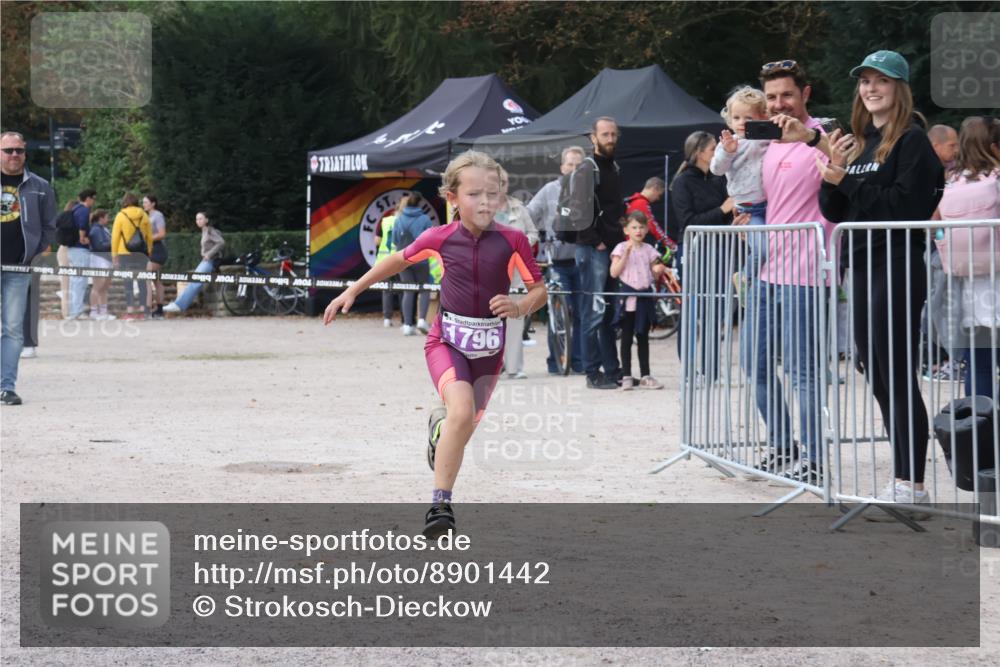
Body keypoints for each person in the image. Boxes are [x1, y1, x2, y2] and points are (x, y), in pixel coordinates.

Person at [323, 150, 546, 538]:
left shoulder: (513, 240)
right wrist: (352, 290)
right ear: (452, 198)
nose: (485, 202)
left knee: (462, 427)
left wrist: (519, 305)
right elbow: (396, 260)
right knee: (461, 411)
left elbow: (539, 290)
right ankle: (440, 506)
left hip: (489, 350)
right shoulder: (439, 237)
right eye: (474, 194)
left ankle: (439, 430)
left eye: (492, 193)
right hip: (446, 342)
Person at [817, 50, 944, 513]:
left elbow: (903, 207)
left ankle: (912, 483)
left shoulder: (912, 141)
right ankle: (902, 481)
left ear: (899, 88)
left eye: (881, 81)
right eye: (865, 81)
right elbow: (835, 211)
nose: (871, 89)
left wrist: (846, 181)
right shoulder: (861, 143)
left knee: (896, 372)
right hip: (863, 265)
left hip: (897, 262)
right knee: (876, 372)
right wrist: (832, 176)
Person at [736, 59, 838, 485]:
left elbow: (845, 163)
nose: (780, 104)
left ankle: (814, 458)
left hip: (807, 271)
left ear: (805, 94)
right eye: (773, 96)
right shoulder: (767, 141)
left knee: (802, 371)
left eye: (788, 95)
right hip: (767, 269)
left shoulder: (824, 134)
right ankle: (782, 446)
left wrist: (812, 138)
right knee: (753, 362)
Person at [932, 115, 999, 404]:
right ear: (993, 147)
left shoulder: (951, 182)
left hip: (968, 289)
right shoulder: (996, 178)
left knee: (978, 365)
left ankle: (979, 425)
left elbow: (934, 224)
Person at [671, 130, 738, 381]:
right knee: (692, 311)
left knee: (715, 313)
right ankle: (689, 371)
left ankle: (711, 371)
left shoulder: (718, 179)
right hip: (693, 252)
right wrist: (722, 209)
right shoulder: (682, 182)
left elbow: (727, 212)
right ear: (699, 153)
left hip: (718, 250)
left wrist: (734, 218)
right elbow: (687, 222)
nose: (716, 153)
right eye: (712, 149)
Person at [1, 131, 57, 406]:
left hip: (19, 268)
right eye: (8, 150)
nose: (14, 155)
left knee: (13, 329)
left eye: (19, 150)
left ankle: (6, 387)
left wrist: (35, 253)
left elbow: (49, 226)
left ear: (25, 153)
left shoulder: (40, 186)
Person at [575, 117, 624, 390]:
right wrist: (596, 241)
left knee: (607, 314)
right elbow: (578, 210)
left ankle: (613, 370)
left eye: (613, 134)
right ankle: (592, 373)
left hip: (611, 249)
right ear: (593, 138)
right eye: (605, 134)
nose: (610, 139)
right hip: (594, 249)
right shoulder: (587, 168)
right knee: (593, 312)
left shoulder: (613, 167)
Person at [527, 145, 585, 375]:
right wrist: (533, 233)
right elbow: (529, 213)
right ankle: (555, 361)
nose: (574, 169)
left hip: (582, 260)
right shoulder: (550, 190)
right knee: (559, 311)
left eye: (578, 165)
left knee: (583, 312)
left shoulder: (590, 191)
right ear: (562, 167)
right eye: (570, 164)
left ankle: (578, 361)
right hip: (557, 259)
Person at [710, 86, 772, 289]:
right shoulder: (729, 143)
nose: (741, 122)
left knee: (777, 249)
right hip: (748, 209)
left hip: (772, 204)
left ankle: (761, 285)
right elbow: (716, 170)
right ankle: (745, 277)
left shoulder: (768, 138)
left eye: (748, 117)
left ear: (762, 117)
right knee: (762, 249)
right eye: (736, 117)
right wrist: (727, 152)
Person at [610, 211, 665, 390]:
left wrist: (658, 269)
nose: (638, 231)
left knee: (643, 338)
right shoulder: (620, 248)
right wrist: (625, 255)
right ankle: (626, 375)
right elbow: (614, 272)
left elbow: (655, 270)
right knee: (626, 338)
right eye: (634, 227)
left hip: (644, 299)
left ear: (647, 229)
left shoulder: (649, 249)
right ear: (626, 230)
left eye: (641, 227)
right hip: (628, 300)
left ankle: (645, 375)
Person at [497, 167, 539, 379]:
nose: (499, 187)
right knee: (489, 319)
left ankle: (514, 367)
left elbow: (533, 233)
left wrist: (522, 245)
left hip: (516, 271)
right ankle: (493, 365)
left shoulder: (519, 208)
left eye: (503, 182)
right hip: (490, 270)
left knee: (515, 317)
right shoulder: (480, 209)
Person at [162, 212, 225, 314]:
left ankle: (179, 305)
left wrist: (209, 254)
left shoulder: (210, 231)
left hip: (211, 261)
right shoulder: (204, 231)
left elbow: (221, 242)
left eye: (200, 219)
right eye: (197, 219)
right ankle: (179, 304)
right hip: (205, 260)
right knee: (193, 280)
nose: (198, 221)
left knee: (196, 281)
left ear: (206, 220)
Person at [393, 192, 435, 336]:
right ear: (419, 203)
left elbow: (395, 240)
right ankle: (422, 320)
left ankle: (407, 325)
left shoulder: (399, 219)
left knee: (408, 290)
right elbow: (431, 238)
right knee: (424, 289)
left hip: (403, 259)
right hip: (421, 258)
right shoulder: (425, 219)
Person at [110, 192, 152, 320]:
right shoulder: (144, 215)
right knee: (142, 281)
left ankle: (130, 311)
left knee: (127, 282)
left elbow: (115, 237)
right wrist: (149, 252)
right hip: (141, 254)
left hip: (124, 253)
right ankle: (143, 311)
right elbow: (149, 237)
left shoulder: (120, 215)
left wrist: (114, 255)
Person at [65, 188, 95, 319]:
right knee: (80, 280)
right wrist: (82, 237)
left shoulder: (74, 209)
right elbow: (82, 225)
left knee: (75, 280)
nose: (94, 201)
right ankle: (76, 311)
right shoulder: (84, 210)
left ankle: (73, 309)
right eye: (93, 198)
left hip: (72, 248)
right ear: (88, 198)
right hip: (80, 249)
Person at [374, 199, 403, 327]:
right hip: (400, 260)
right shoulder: (405, 222)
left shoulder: (385, 221)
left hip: (384, 261)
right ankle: (405, 319)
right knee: (404, 289)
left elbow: (377, 241)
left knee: (386, 289)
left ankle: (387, 318)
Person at [87, 209, 116, 320]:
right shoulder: (95, 230)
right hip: (99, 259)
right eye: (106, 217)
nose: (108, 219)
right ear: (101, 218)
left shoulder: (103, 229)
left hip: (107, 259)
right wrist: (114, 242)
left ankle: (103, 312)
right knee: (97, 286)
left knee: (104, 288)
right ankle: (94, 311)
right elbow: (99, 246)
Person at [143, 195, 168, 320]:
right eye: (143, 202)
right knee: (156, 280)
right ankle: (159, 311)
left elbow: (162, 234)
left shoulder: (157, 215)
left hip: (157, 250)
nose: (144, 204)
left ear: (153, 203)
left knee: (146, 276)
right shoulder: (146, 216)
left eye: (146, 202)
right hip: (150, 250)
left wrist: (147, 239)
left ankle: (148, 310)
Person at [624, 177, 668, 244]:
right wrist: (671, 245)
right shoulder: (641, 203)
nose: (658, 198)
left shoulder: (632, 201)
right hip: (635, 246)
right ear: (654, 188)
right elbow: (654, 228)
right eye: (659, 195)